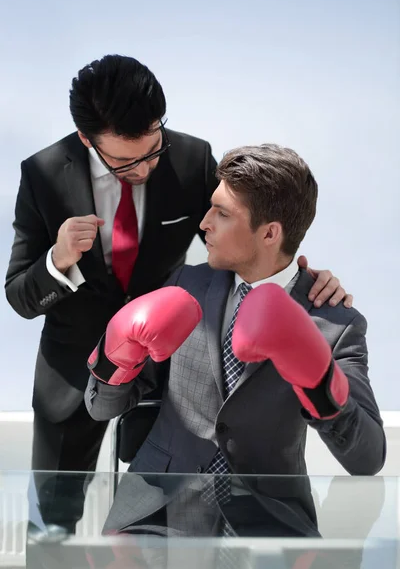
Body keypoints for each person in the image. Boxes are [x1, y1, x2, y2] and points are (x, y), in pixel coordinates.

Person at [5, 54, 350, 531]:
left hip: (166, 368)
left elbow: (247, 229)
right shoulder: (42, 173)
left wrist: (302, 281)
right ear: (87, 139)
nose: (145, 167)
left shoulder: (189, 157)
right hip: (71, 373)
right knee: (52, 521)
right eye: (126, 161)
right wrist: (58, 259)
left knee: (158, 508)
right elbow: (19, 297)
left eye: (152, 150)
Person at [86, 143, 386, 487]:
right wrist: (114, 354)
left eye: (222, 213)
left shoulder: (337, 324)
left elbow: (368, 459)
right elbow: (102, 409)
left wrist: (318, 382)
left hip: (270, 516)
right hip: (157, 509)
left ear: (270, 233)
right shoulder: (186, 284)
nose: (204, 223)